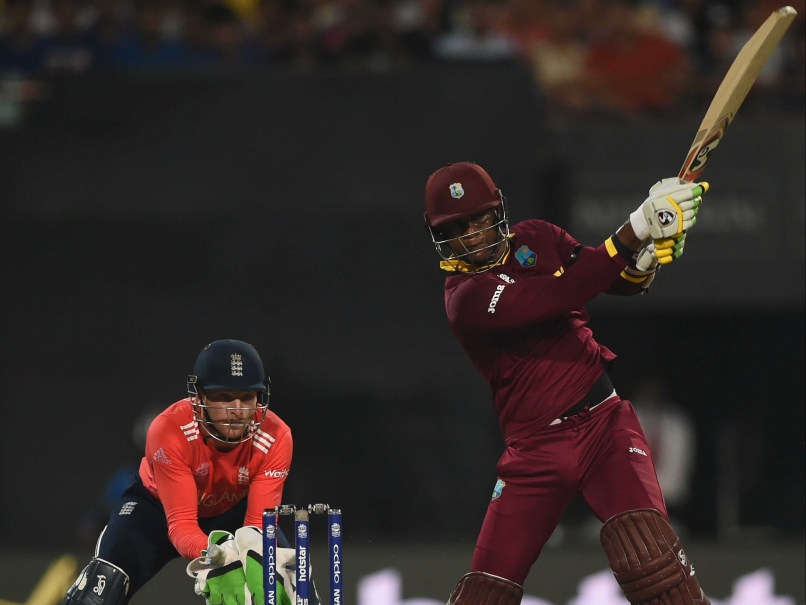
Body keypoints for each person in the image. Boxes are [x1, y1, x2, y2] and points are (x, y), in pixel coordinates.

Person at [422, 162, 711, 605]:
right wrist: (638, 224)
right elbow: (558, 295)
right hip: (535, 451)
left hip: (605, 428)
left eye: (479, 218)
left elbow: (609, 276)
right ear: (439, 233)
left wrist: (648, 253)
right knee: (487, 592)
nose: (474, 234)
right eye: (458, 226)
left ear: (498, 208)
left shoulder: (537, 235)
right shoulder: (465, 296)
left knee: (653, 559)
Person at [61, 339, 296, 605]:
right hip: (154, 512)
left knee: (282, 586)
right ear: (200, 396)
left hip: (233, 513)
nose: (237, 411)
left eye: (247, 397)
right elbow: (181, 526)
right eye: (224, 397)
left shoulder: (276, 435)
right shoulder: (169, 430)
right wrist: (219, 555)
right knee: (96, 594)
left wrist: (252, 555)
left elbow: (256, 528)